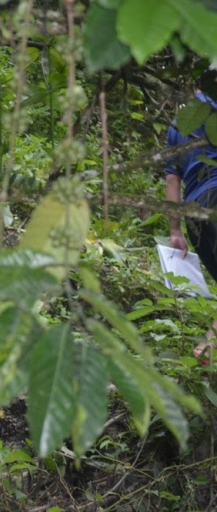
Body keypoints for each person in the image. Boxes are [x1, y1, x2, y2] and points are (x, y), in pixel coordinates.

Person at [165, 68, 217, 365]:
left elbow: (172, 180)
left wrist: (175, 231)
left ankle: (207, 346)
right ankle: (208, 343)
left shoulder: (177, 124)